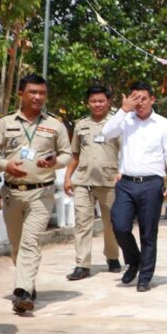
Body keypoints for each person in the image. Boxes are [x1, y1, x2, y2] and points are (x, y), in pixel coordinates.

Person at [0, 74, 72, 313]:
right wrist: (6, 165)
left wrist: (54, 162)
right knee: (17, 246)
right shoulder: (4, 123)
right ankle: (27, 283)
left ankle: (23, 293)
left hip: (41, 193)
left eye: (42, 93)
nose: (38, 97)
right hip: (12, 194)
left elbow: (67, 154)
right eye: (33, 92)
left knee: (30, 242)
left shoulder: (55, 125)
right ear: (21, 94)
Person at [102, 81, 167, 293]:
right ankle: (134, 260)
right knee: (119, 225)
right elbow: (106, 133)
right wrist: (123, 110)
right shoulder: (125, 120)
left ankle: (145, 276)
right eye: (135, 98)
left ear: (152, 99)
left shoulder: (163, 124)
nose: (140, 103)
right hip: (126, 182)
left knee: (148, 232)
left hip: (151, 184)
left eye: (143, 98)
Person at [63, 84, 122, 280]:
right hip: (83, 182)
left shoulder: (116, 125)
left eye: (101, 101)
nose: (97, 104)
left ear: (108, 102)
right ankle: (82, 265)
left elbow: (125, 153)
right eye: (93, 101)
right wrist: (68, 178)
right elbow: (75, 154)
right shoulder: (81, 125)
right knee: (82, 224)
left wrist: (122, 174)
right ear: (88, 103)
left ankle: (112, 256)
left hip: (109, 182)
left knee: (111, 224)